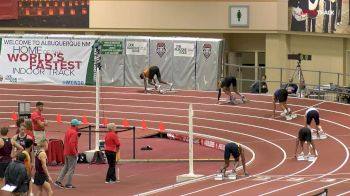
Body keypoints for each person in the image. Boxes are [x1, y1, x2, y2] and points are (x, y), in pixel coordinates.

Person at [54, 119, 81, 189]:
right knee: (71, 168)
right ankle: (68, 183)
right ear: (75, 125)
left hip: (66, 152)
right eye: (78, 124)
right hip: (71, 153)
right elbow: (71, 144)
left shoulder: (68, 131)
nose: (79, 126)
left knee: (66, 167)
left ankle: (58, 181)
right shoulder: (74, 133)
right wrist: (75, 153)